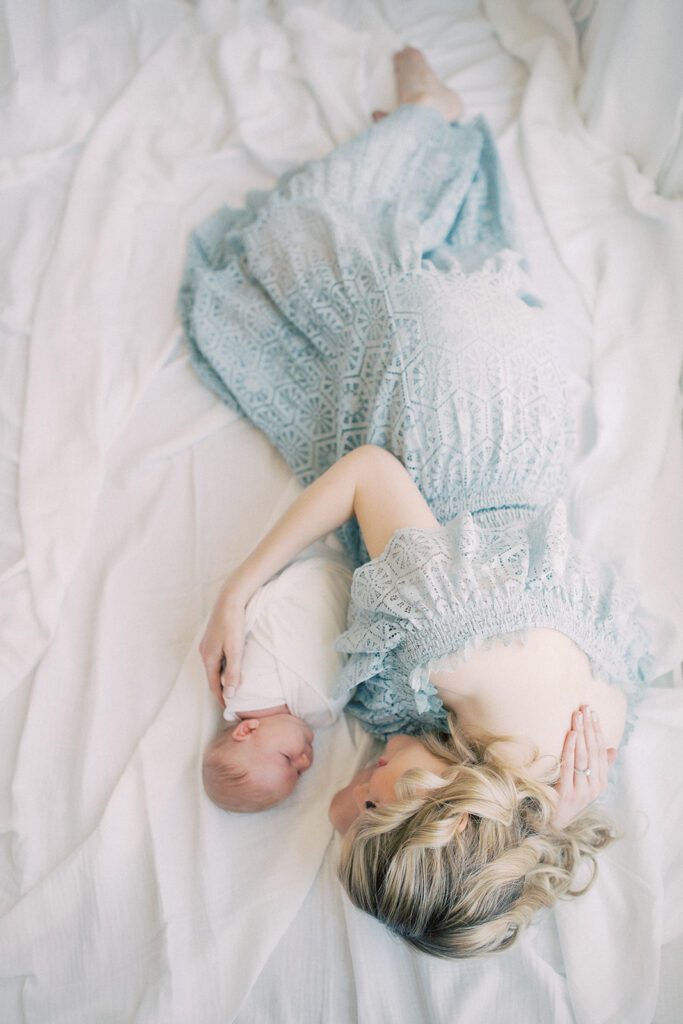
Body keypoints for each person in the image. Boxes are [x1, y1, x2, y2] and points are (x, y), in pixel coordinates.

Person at [179, 48, 652, 957]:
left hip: (523, 411)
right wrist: (236, 590)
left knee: (344, 287)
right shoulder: (448, 654)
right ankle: (426, 119)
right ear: (421, 805)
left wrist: (550, 814)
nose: (348, 790)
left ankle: (421, 164)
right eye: (363, 810)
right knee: (282, 261)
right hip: (454, 403)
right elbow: (368, 470)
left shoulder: (576, 760)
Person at [202, 546, 352, 811]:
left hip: (315, 575)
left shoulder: (240, 689)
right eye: (299, 773)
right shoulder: (307, 713)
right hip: (330, 577)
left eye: (287, 759)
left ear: (246, 730)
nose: (305, 762)